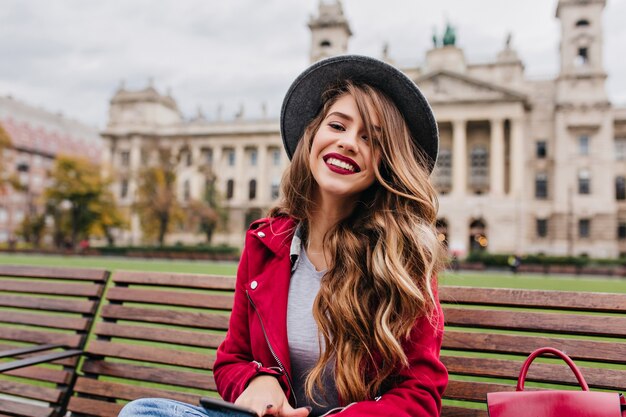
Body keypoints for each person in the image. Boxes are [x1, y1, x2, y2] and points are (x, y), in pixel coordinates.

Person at [118, 55, 448, 417]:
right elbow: (232, 360)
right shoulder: (265, 243)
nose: (349, 142)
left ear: (388, 163)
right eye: (338, 126)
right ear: (313, 136)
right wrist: (257, 382)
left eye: (371, 139)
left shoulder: (402, 256)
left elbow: (419, 396)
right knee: (143, 411)